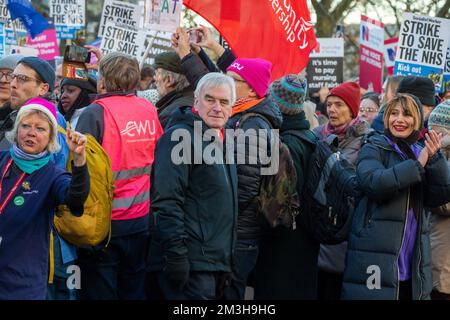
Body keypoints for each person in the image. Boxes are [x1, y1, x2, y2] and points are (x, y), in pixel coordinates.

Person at [342, 93, 450, 300]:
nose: (399, 119)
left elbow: (439, 196)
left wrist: (435, 159)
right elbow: (374, 183)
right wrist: (418, 165)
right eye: (394, 113)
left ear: (417, 120)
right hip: (376, 255)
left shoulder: (422, 150)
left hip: (413, 257)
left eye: (407, 114)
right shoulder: (374, 146)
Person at [76, 52, 163, 300]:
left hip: (105, 223)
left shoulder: (94, 113)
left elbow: (81, 170)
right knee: (133, 290)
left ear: (102, 80)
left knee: (101, 291)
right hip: (140, 219)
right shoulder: (148, 109)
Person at [147, 72, 238, 300]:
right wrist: (176, 257)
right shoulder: (180, 137)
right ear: (196, 101)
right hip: (191, 265)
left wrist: (226, 261)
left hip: (215, 264)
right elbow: (167, 202)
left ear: (232, 107)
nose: (217, 107)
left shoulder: (220, 139)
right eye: (210, 99)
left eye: (224, 102)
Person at [0, 98, 89, 299]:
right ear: (16, 130)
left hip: (22, 282)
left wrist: (79, 160)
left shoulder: (53, 176)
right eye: (25, 126)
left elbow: (76, 198)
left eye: (40, 129)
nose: (31, 133)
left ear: (50, 139)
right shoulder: (1, 159)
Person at [252, 74, 319, 299]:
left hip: (281, 245)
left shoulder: (282, 144)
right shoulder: (310, 137)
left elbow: (276, 205)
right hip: (306, 242)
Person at [313, 81, 369, 300]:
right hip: (317, 225)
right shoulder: (317, 134)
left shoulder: (367, 140)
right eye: (330, 104)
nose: (332, 110)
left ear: (353, 109)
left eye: (339, 105)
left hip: (345, 229)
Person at [427, 100, 450, 300]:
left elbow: (445, 203)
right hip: (432, 257)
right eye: (431, 132)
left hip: (444, 263)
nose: (435, 138)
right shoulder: (438, 156)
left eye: (439, 133)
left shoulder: (439, 158)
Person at [152, 51, 194, 128]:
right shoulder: (198, 102)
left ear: (169, 80)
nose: (154, 78)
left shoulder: (169, 115)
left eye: (157, 73)